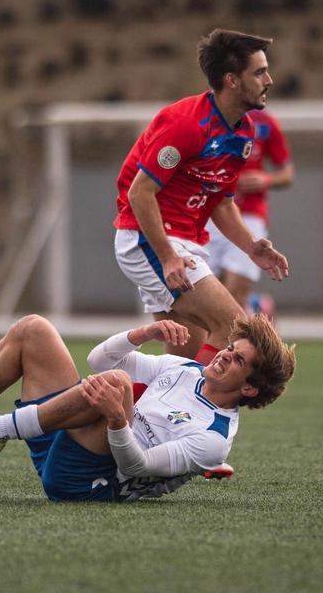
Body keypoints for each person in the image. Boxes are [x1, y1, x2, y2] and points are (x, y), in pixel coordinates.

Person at [0, 314, 295, 502]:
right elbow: (99, 360)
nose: (223, 356)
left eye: (237, 360)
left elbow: (136, 466)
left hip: (89, 481)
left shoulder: (214, 440)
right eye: (230, 348)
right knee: (34, 330)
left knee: (117, 387)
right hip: (67, 438)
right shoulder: (184, 369)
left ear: (250, 389)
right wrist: (143, 332)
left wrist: (117, 420)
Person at [113, 29, 290, 364]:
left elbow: (222, 203)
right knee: (236, 329)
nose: (269, 80)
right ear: (232, 80)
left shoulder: (243, 131)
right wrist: (168, 257)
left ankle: (149, 400)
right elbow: (140, 192)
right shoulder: (187, 124)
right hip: (148, 240)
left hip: (185, 242)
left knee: (187, 359)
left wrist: (251, 247)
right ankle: (205, 398)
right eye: (259, 72)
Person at [204, 107, 294, 315]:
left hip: (249, 215)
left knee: (236, 294)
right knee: (205, 296)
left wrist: (266, 180)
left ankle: (248, 311)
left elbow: (287, 172)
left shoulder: (265, 122)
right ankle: (256, 306)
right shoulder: (206, 116)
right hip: (209, 214)